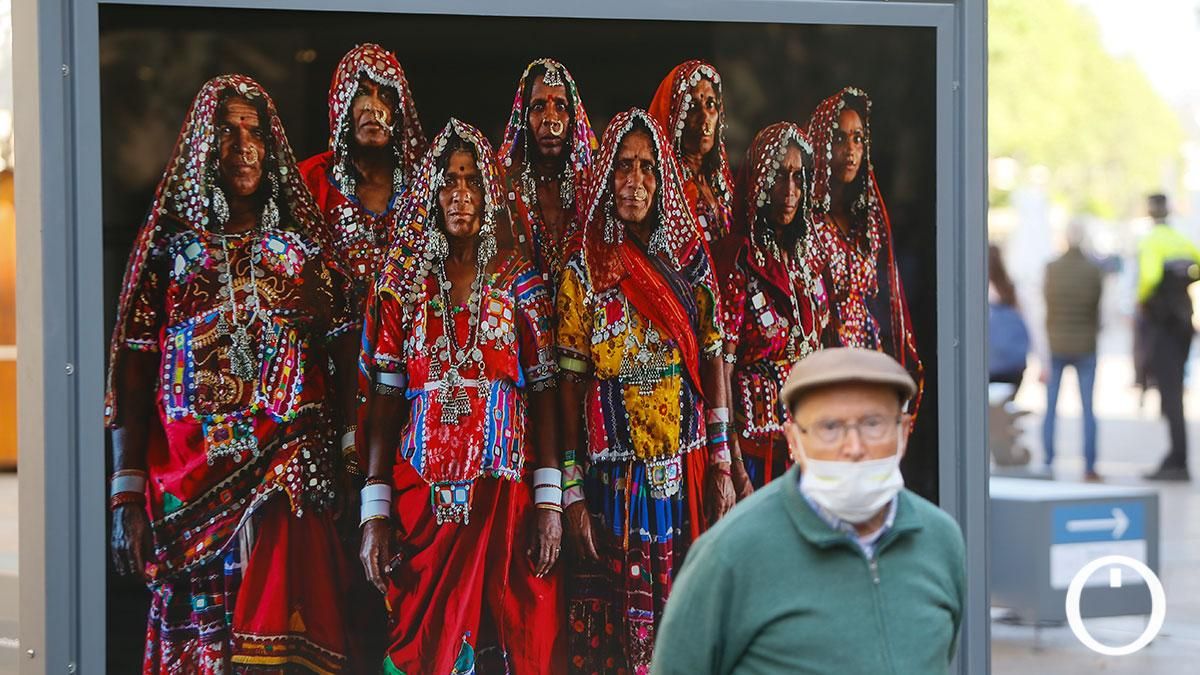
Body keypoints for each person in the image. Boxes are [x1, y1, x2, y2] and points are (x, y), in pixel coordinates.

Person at [106, 74, 355, 673]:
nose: (242, 144)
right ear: (200, 146)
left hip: (287, 491)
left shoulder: (306, 256)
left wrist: (350, 464)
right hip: (187, 491)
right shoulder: (168, 255)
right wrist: (126, 493)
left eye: (255, 131)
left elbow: (347, 364)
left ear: (271, 151)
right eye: (227, 129)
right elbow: (134, 373)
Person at [358, 119, 564, 674]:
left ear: (490, 191)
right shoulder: (402, 285)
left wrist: (550, 502)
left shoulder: (521, 280)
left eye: (472, 180)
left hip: (505, 506)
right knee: (423, 648)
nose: (461, 194)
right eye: (449, 181)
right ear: (431, 192)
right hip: (421, 507)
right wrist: (374, 513)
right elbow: (382, 403)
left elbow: (545, 394)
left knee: (508, 643)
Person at [651, 348, 966, 674]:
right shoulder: (731, 553)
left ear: (903, 432)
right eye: (829, 427)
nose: (854, 448)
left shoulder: (939, 540)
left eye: (873, 424)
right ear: (795, 442)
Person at [556, 108, 734, 673]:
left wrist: (724, 461)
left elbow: (714, 357)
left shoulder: (689, 262)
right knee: (612, 635)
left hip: (681, 474)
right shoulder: (585, 268)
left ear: (661, 183)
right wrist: (571, 487)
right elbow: (568, 384)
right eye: (623, 167)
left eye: (647, 169)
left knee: (686, 621)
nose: (634, 180)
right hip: (611, 481)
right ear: (606, 177)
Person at [297, 42, 427, 669]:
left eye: (385, 96)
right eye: (360, 96)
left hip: (412, 409)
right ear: (340, 108)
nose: (373, 108)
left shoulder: (433, 184)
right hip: (328, 404)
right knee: (335, 568)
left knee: (406, 564)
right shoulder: (309, 185)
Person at [718, 122, 833, 489]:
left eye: (798, 178)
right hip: (757, 449)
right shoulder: (738, 260)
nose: (789, 191)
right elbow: (722, 367)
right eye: (779, 176)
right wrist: (732, 462)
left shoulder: (810, 259)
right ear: (758, 183)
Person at [808, 87, 923, 409]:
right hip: (819, 364)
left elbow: (884, 300)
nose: (850, 150)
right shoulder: (803, 220)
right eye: (839, 138)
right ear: (820, 144)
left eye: (858, 138)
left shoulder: (867, 220)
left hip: (865, 360)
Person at [498, 58, 599, 291]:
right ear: (522, 118)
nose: (551, 120)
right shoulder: (502, 187)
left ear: (574, 118)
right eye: (538, 106)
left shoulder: (593, 186)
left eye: (561, 107)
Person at [1137, 193, 1200, 481]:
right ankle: (1177, 456)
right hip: (1183, 323)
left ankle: (1177, 459)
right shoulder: (1179, 238)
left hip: (1163, 326)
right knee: (1175, 393)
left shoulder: (1152, 241)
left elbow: (1148, 278)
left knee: (1171, 394)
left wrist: (1142, 299)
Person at [648, 60, 736, 244]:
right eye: (693, 106)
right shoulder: (663, 188)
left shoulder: (719, 180)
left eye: (710, 104)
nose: (705, 117)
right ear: (674, 117)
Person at [1042, 223, 1103, 480]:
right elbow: (1096, 306)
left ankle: (1047, 461)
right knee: (1088, 408)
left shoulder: (1052, 268)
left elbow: (1047, 303)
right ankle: (1089, 465)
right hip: (1085, 344)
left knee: (1051, 406)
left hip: (1056, 343)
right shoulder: (1093, 270)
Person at [987, 243, 1030, 392]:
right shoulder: (1009, 289)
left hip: (988, 366)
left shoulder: (975, 291)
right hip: (1013, 367)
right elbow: (1028, 322)